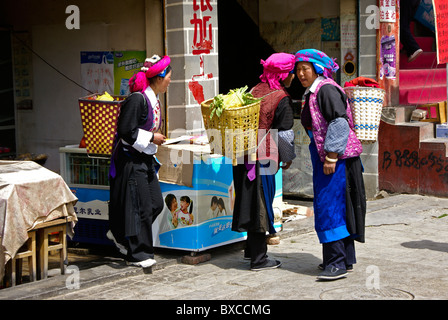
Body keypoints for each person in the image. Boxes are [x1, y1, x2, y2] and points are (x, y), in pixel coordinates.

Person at [295, 49, 366, 280]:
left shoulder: (325, 89)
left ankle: (336, 263)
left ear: (317, 68)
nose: (301, 73)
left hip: (335, 159)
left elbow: (339, 122)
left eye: (305, 68)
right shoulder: (314, 91)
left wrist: (332, 156)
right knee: (335, 205)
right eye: (298, 69)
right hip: (327, 157)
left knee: (330, 206)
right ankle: (342, 259)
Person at [232, 52, 296, 271]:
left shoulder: (253, 90)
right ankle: (259, 259)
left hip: (243, 155)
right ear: (284, 74)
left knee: (249, 201)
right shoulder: (281, 98)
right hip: (263, 159)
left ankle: (251, 251)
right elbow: (285, 134)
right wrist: (287, 158)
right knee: (259, 204)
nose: (293, 76)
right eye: (291, 72)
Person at [107, 54, 171, 268]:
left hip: (145, 159)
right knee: (140, 207)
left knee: (155, 204)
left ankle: (122, 236)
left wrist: (154, 139)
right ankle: (138, 254)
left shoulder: (154, 100)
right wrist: (153, 137)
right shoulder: (138, 99)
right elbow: (126, 131)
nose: (171, 79)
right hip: (131, 160)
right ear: (160, 76)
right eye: (169, 75)